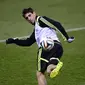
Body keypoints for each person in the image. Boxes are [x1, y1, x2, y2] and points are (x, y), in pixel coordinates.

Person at [6, 7, 74, 85]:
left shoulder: (40, 19)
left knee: (39, 73)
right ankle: (53, 66)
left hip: (45, 48)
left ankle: (54, 66)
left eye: (30, 15)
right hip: (58, 48)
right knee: (48, 69)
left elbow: (56, 24)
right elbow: (28, 42)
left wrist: (67, 38)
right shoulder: (37, 29)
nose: (29, 18)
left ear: (34, 13)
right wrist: (14, 41)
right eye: (27, 18)